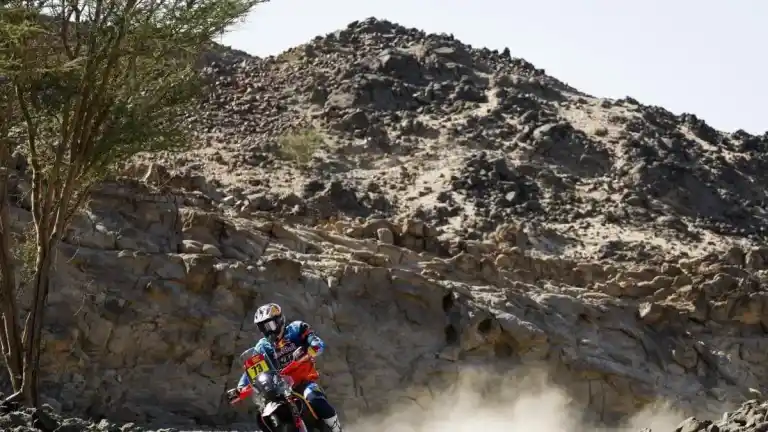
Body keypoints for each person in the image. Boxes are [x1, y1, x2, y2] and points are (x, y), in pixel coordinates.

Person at [234, 303, 343, 432]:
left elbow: (315, 341)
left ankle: (336, 429)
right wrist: (240, 388)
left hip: (304, 383)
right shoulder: (261, 347)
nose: (267, 331)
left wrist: (313, 348)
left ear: (279, 320)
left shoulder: (296, 329)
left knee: (315, 398)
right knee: (263, 417)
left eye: (269, 325)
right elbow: (253, 370)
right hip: (279, 390)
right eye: (262, 327)